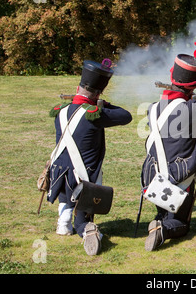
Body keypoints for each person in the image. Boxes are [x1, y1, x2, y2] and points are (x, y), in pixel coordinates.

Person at [140, 42, 196, 251]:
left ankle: (160, 218)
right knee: (182, 224)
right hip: (178, 177)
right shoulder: (190, 109)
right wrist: (195, 97)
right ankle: (162, 229)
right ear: (195, 83)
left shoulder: (153, 108)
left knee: (166, 210)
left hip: (152, 176)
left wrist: (190, 96)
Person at [47, 59, 132, 255]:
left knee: (65, 184)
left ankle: (63, 222)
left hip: (59, 172)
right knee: (83, 217)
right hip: (82, 174)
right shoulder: (94, 114)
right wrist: (103, 105)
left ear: (78, 87)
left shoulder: (61, 111)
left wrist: (96, 103)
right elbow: (125, 116)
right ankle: (88, 232)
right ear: (98, 93)